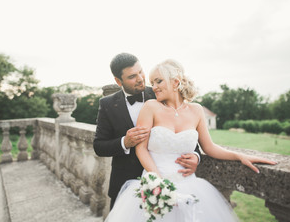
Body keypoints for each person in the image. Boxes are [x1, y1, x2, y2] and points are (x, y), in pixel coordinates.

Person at [105, 59, 277, 221]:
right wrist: (157, 181)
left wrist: (239, 156)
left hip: (189, 184)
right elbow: (140, 149)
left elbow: (208, 147)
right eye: (153, 82)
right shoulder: (151, 107)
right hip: (155, 183)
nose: (154, 87)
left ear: (175, 82)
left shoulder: (197, 110)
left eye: (158, 81)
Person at [93, 53, 201, 209]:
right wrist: (125, 142)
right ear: (118, 81)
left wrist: (196, 156)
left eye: (140, 71)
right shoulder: (107, 104)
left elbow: (184, 129)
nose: (140, 78)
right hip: (125, 184)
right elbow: (99, 146)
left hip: (167, 180)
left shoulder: (161, 92)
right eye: (132, 76)